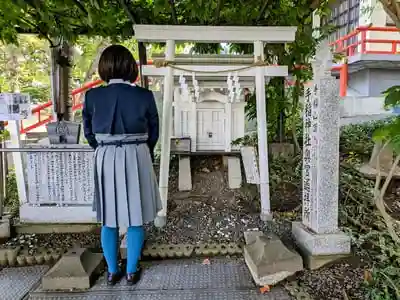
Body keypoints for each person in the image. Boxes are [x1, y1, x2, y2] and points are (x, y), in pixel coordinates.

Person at [82, 45, 162, 286]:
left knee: (109, 217)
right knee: (136, 215)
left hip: (105, 154)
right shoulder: (144, 96)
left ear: (104, 67)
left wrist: (102, 147)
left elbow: (88, 130)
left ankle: (111, 271)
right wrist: (143, 150)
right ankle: (130, 270)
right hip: (137, 152)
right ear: (131, 67)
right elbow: (154, 130)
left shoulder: (92, 96)